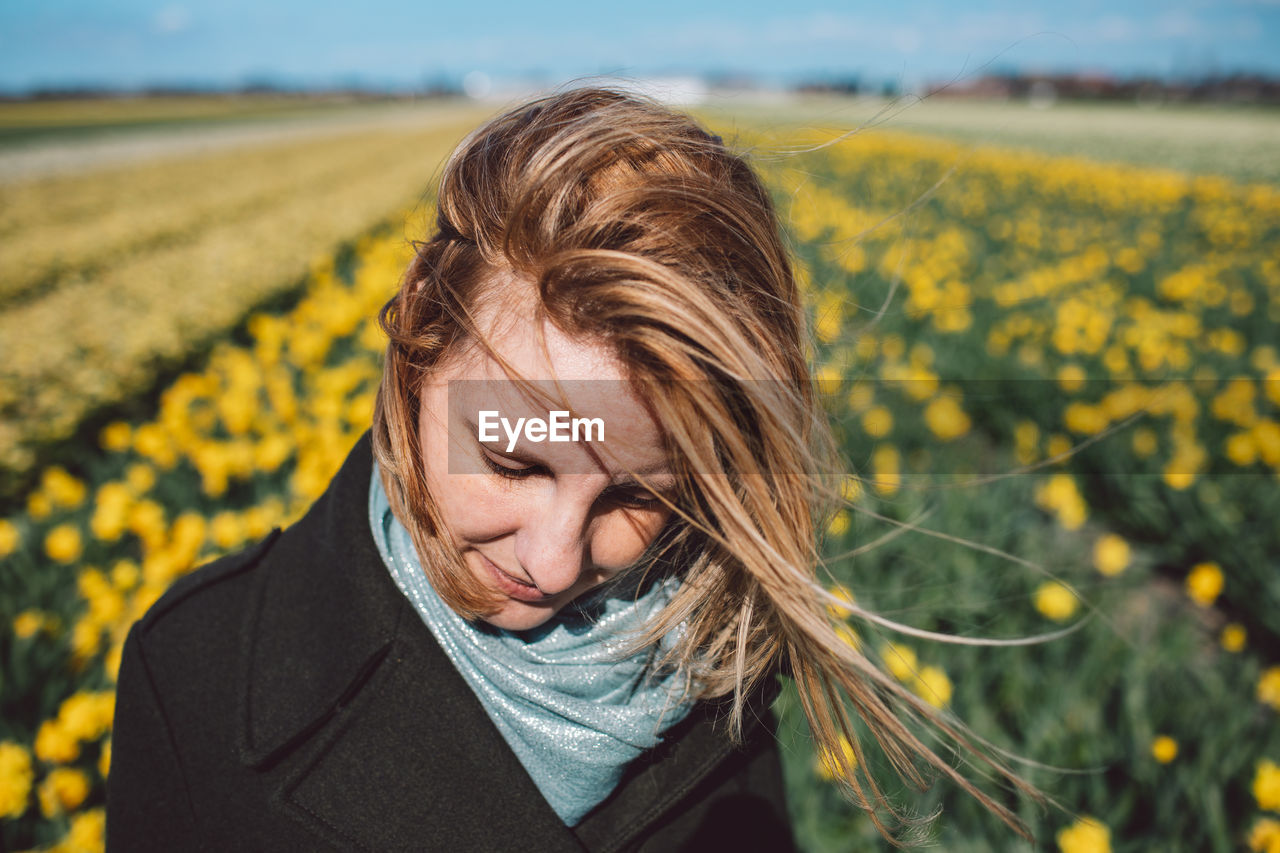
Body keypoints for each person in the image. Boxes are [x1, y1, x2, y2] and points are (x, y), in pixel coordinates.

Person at [106, 86, 1039, 851]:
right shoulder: (196, 670)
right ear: (421, 340)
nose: (554, 564)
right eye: (513, 460)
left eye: (636, 494)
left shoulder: (711, 667)